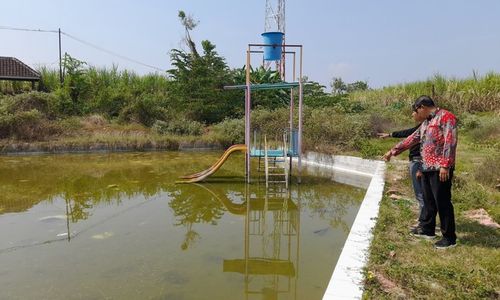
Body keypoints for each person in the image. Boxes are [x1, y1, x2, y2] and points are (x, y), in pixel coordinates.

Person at [383, 95, 458, 249]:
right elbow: (413, 138)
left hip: (439, 168)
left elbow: (450, 142)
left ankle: (449, 238)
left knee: (442, 201)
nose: (415, 113)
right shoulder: (426, 122)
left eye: (416, 110)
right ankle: (428, 230)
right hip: (426, 167)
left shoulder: (446, 117)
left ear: (422, 107)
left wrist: (445, 165)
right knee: (429, 200)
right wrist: (393, 151)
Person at [378, 109, 425, 230]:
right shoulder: (424, 126)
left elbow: (408, 140)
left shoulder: (426, 126)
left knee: (420, 193)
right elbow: (408, 133)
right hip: (421, 161)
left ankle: (423, 223)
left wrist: (392, 152)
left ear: (422, 110)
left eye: (414, 111)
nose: (412, 114)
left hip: (418, 161)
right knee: (424, 193)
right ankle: (425, 220)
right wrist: (390, 135)